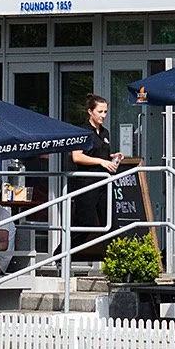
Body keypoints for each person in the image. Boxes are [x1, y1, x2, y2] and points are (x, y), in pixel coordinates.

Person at [69, 93, 122, 247]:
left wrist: (113, 157)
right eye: (100, 112)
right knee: (84, 225)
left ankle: (115, 263)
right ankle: (60, 256)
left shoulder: (105, 133)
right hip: (86, 183)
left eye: (105, 112)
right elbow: (77, 157)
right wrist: (101, 161)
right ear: (90, 112)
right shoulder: (82, 131)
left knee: (112, 224)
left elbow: (100, 153)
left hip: (104, 183)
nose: (103, 115)